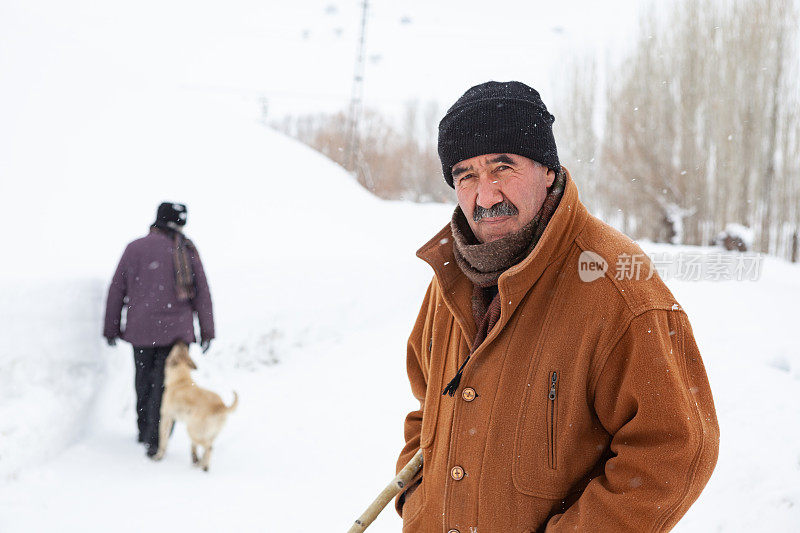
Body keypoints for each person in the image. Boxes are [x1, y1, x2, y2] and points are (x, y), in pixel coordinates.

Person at [394, 81, 719, 532]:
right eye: (466, 175)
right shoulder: (451, 276)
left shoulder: (613, 283)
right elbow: (425, 405)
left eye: (502, 167)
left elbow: (675, 449)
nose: (485, 196)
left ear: (548, 170)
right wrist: (419, 502)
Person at [104, 202, 215, 458]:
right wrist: (207, 331)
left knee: (143, 382)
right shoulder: (186, 250)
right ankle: (158, 437)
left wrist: (111, 328)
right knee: (168, 388)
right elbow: (202, 293)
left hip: (141, 331)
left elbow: (116, 289)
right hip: (176, 336)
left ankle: (144, 430)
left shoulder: (135, 248)